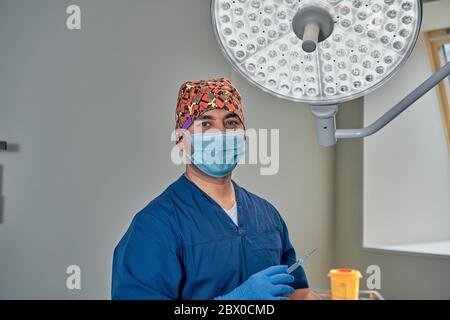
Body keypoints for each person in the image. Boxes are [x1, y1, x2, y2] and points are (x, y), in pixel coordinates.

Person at [112, 78, 319, 300]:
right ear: (181, 140)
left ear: (244, 137)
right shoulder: (155, 227)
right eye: (205, 124)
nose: (221, 133)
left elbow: (299, 293)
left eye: (231, 123)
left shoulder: (267, 216)